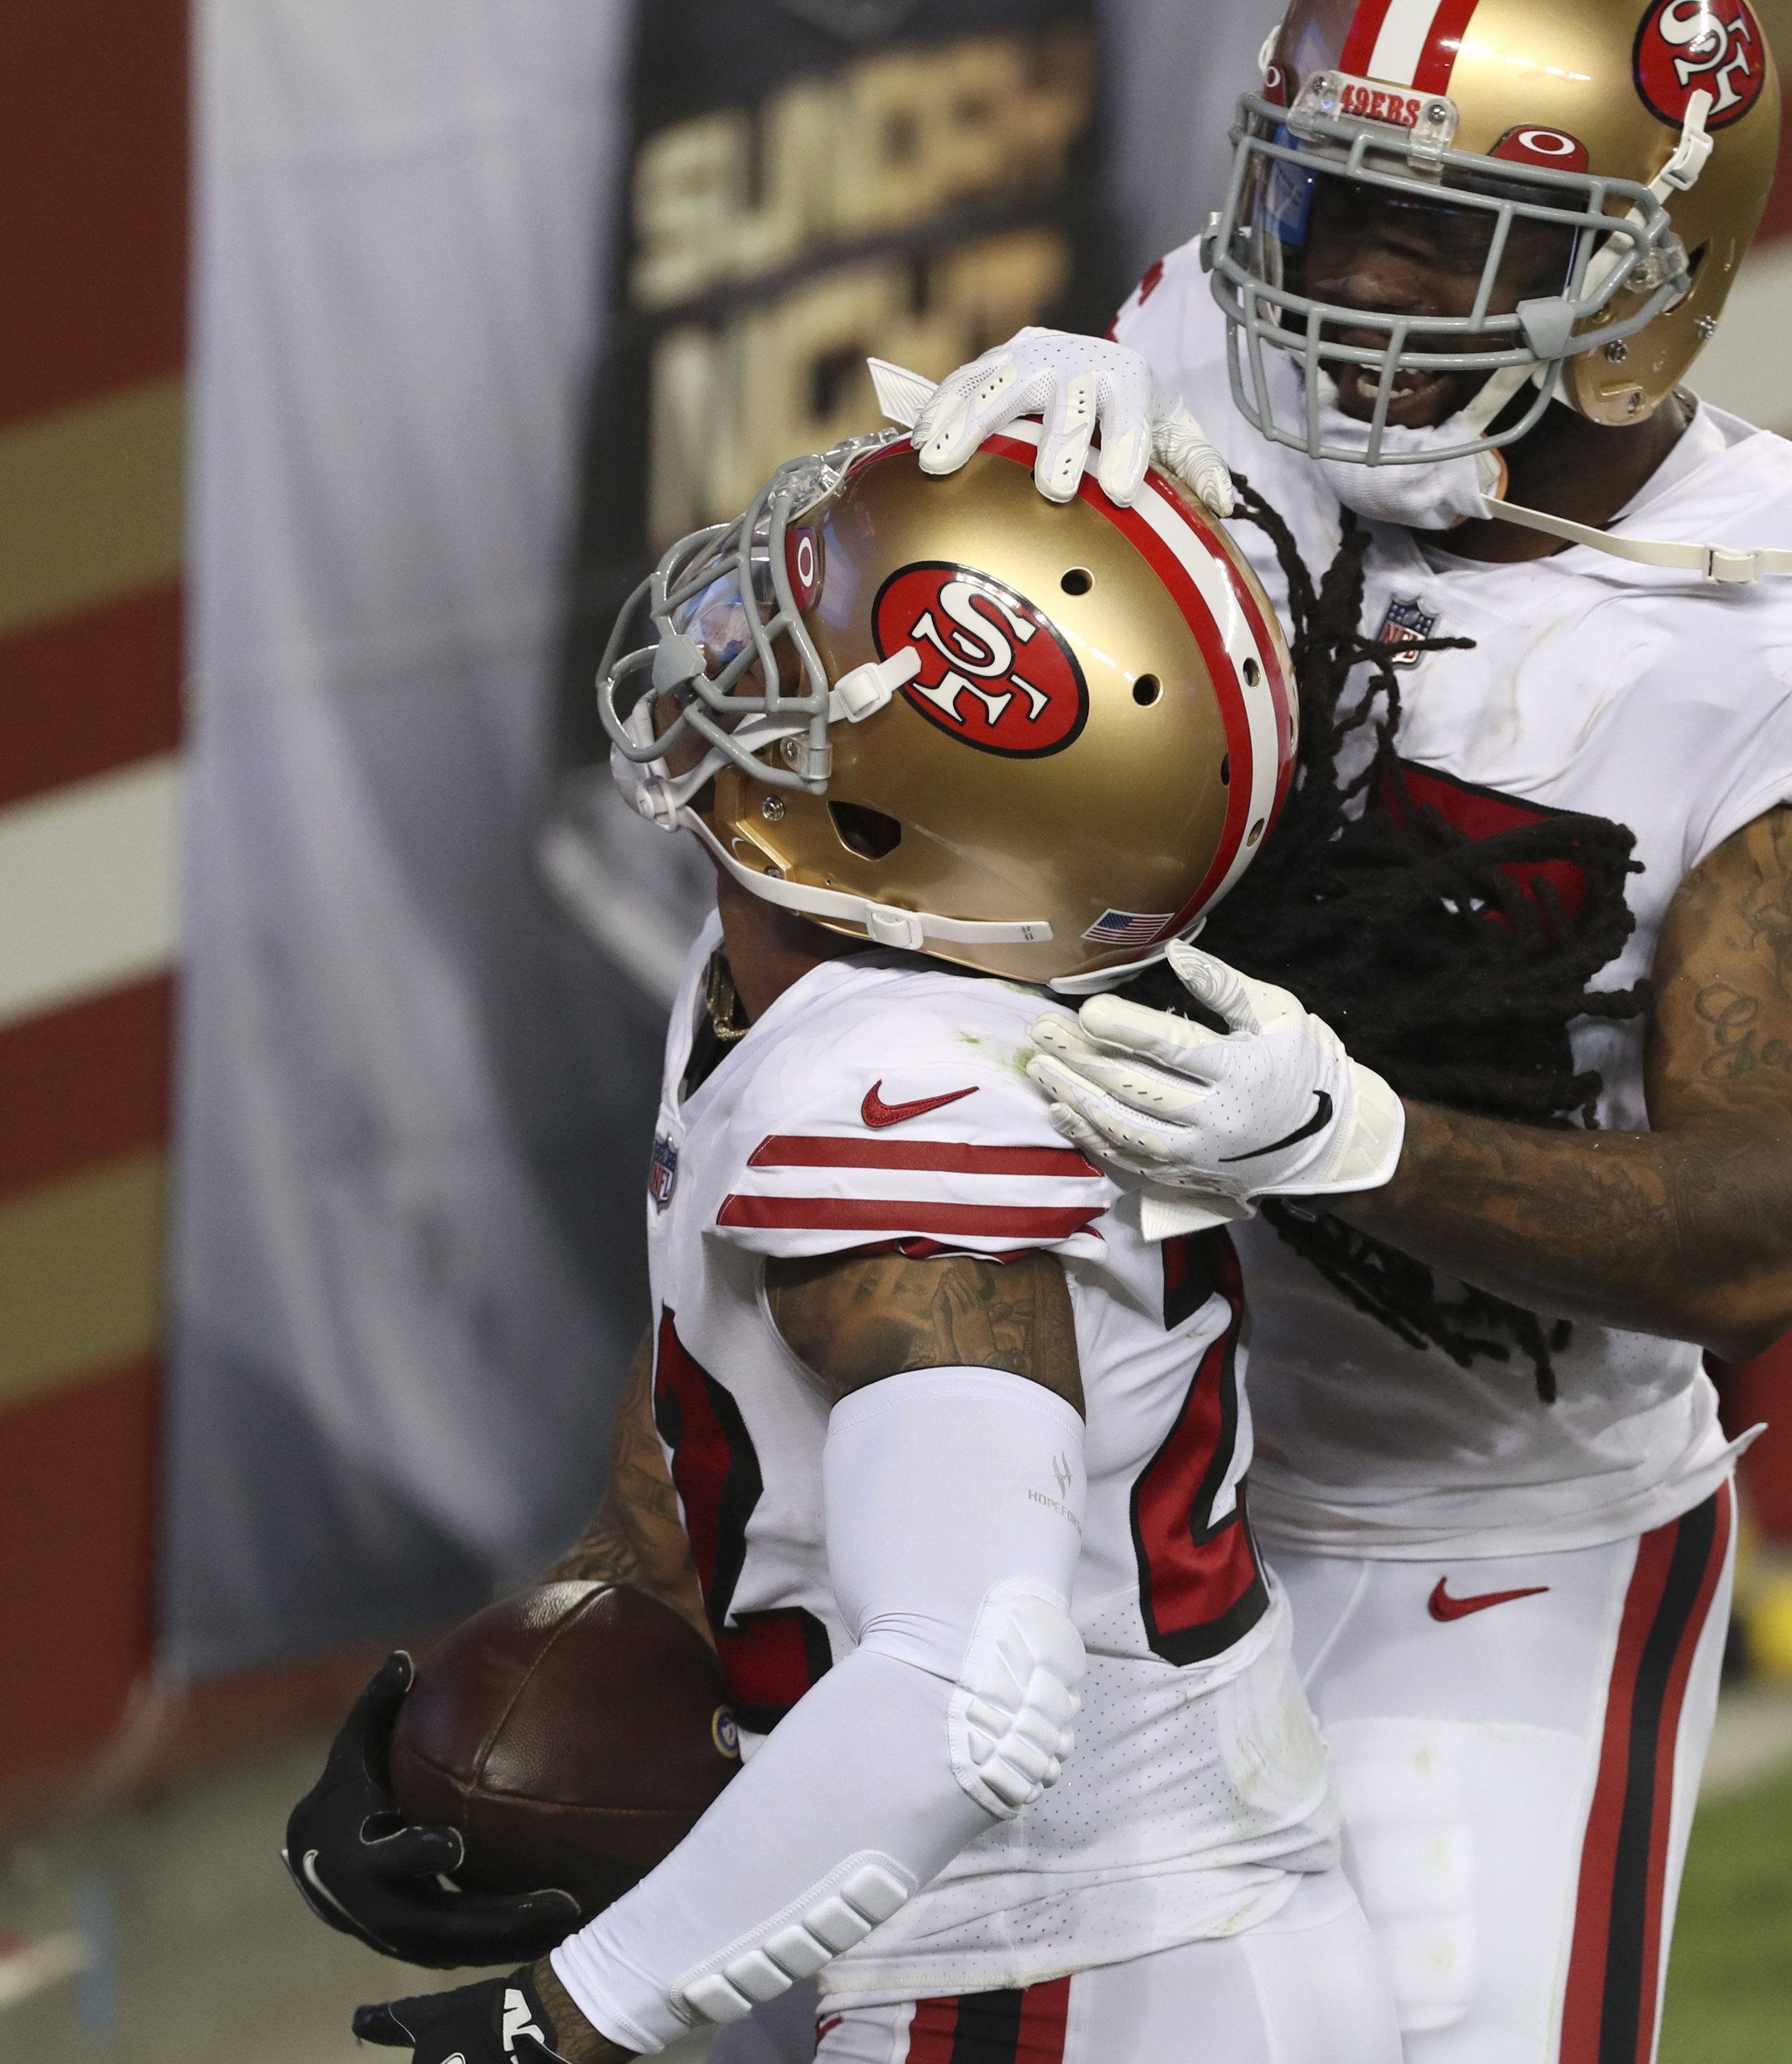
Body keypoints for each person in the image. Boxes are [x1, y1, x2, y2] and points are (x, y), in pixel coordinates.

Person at [901, 0, 1792, 2059]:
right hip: (1066, 1500)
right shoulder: (1173, 375)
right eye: (1324, 208)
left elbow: (1758, 1224)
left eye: (1444, 238)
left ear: (1644, 275)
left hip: (1467, 1542)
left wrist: (1353, 1141)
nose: (1348, 287)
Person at [304, 423, 1404, 2064]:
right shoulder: (792, 980)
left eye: (793, 643)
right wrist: (504, 1731)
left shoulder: (894, 1089)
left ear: (902, 807)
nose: (731, 646)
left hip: (1074, 1974)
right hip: (1107, 1955)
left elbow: (974, 1688)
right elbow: (722, 1449)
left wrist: (568, 2016)